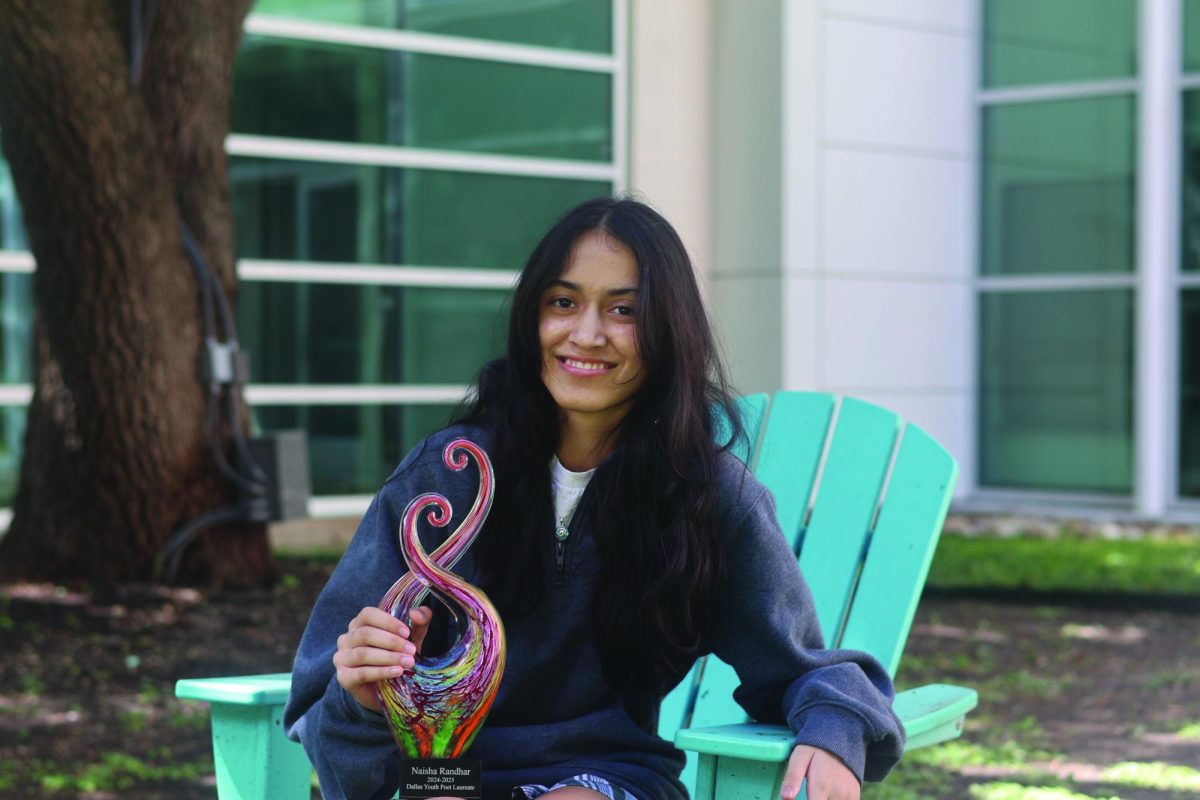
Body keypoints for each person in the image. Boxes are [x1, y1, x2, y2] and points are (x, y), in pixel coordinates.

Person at [284, 197, 904, 800]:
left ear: (668, 330)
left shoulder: (707, 499)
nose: (586, 334)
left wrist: (835, 731)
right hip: (448, 774)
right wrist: (362, 698)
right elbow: (322, 707)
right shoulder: (447, 476)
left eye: (624, 310)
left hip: (606, 774)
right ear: (533, 317)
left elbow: (800, 667)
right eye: (562, 302)